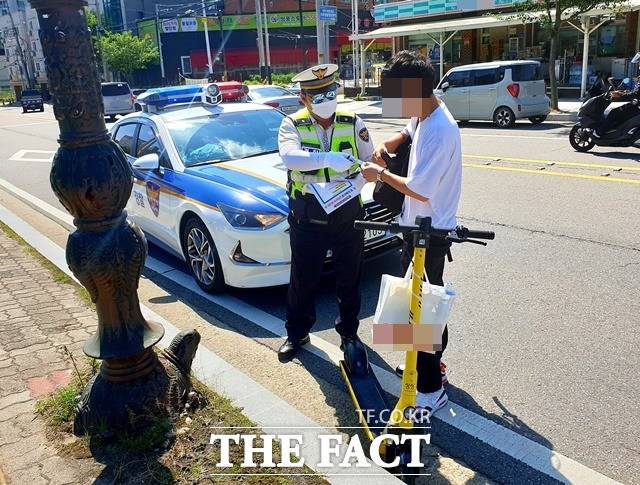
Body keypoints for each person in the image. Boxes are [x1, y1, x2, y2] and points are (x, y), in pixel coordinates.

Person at [361, 51, 462, 417]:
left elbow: (420, 188)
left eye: (396, 93)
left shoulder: (440, 130)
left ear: (416, 89)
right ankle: (426, 364)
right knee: (420, 304)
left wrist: (379, 174)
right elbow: (405, 132)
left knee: (421, 311)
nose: (393, 102)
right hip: (413, 228)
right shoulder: (424, 113)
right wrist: (388, 146)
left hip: (429, 233)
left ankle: (432, 390)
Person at [277, 64, 375, 363]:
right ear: (303, 98)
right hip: (309, 216)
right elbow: (290, 157)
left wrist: (356, 183)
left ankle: (348, 332)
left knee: (349, 276)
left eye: (330, 92)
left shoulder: (353, 121)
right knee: (303, 278)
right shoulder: (291, 125)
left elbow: (370, 160)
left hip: (347, 213)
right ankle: (297, 332)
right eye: (318, 95)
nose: (326, 99)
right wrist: (328, 158)